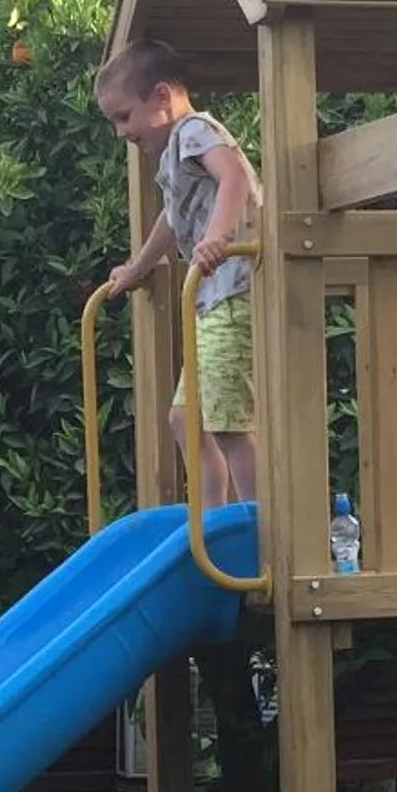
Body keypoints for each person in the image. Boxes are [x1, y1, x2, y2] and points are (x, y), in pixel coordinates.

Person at [94, 37, 263, 508]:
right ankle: (208, 523)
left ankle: (258, 524)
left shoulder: (194, 130)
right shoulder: (175, 152)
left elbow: (234, 177)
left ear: (162, 96)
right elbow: (172, 218)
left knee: (226, 424)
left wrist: (219, 236)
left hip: (235, 291)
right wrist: (137, 267)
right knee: (183, 420)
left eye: (124, 117)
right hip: (213, 299)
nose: (121, 133)